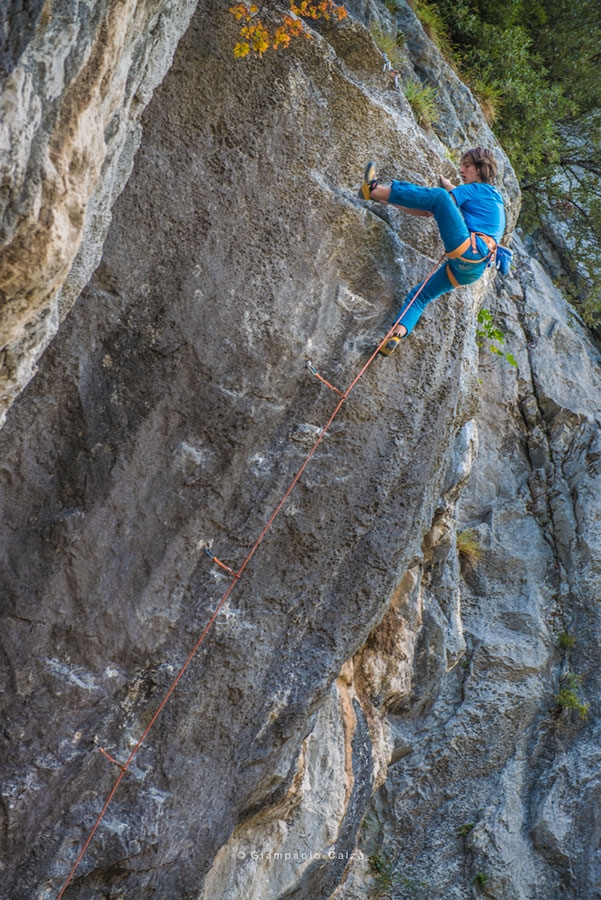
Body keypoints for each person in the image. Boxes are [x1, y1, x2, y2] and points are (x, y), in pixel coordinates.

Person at [359, 148, 506, 355]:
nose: (461, 169)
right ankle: (395, 336)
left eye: (467, 166)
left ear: (480, 169)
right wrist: (391, 201)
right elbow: (455, 204)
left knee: (439, 196)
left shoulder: (474, 189)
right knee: (420, 296)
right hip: (473, 270)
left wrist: (387, 197)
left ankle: (373, 190)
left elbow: (434, 206)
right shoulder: (493, 196)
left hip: (470, 250)